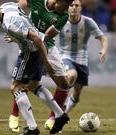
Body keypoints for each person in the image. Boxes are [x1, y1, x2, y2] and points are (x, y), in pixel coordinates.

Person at [0, 2, 69, 134]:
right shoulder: (6, 6)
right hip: (37, 49)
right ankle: (60, 115)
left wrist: (46, 61)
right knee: (34, 85)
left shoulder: (9, 23)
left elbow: (36, 38)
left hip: (31, 52)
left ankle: (32, 128)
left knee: (16, 88)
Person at [8, 0, 75, 132]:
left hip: (47, 47)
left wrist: (19, 34)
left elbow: (47, 36)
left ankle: (57, 116)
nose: (68, 8)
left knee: (64, 84)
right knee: (23, 85)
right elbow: (22, 4)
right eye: (67, 4)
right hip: (30, 48)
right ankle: (14, 116)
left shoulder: (63, 16)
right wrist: (17, 28)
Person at [58, 0, 108, 114]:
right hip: (65, 56)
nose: (74, 8)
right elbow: (46, 33)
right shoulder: (61, 21)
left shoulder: (88, 22)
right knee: (71, 75)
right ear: (67, 8)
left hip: (82, 60)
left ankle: (64, 114)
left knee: (77, 95)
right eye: (71, 5)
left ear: (81, 8)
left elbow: (103, 38)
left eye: (77, 5)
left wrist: (104, 49)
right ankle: (61, 107)